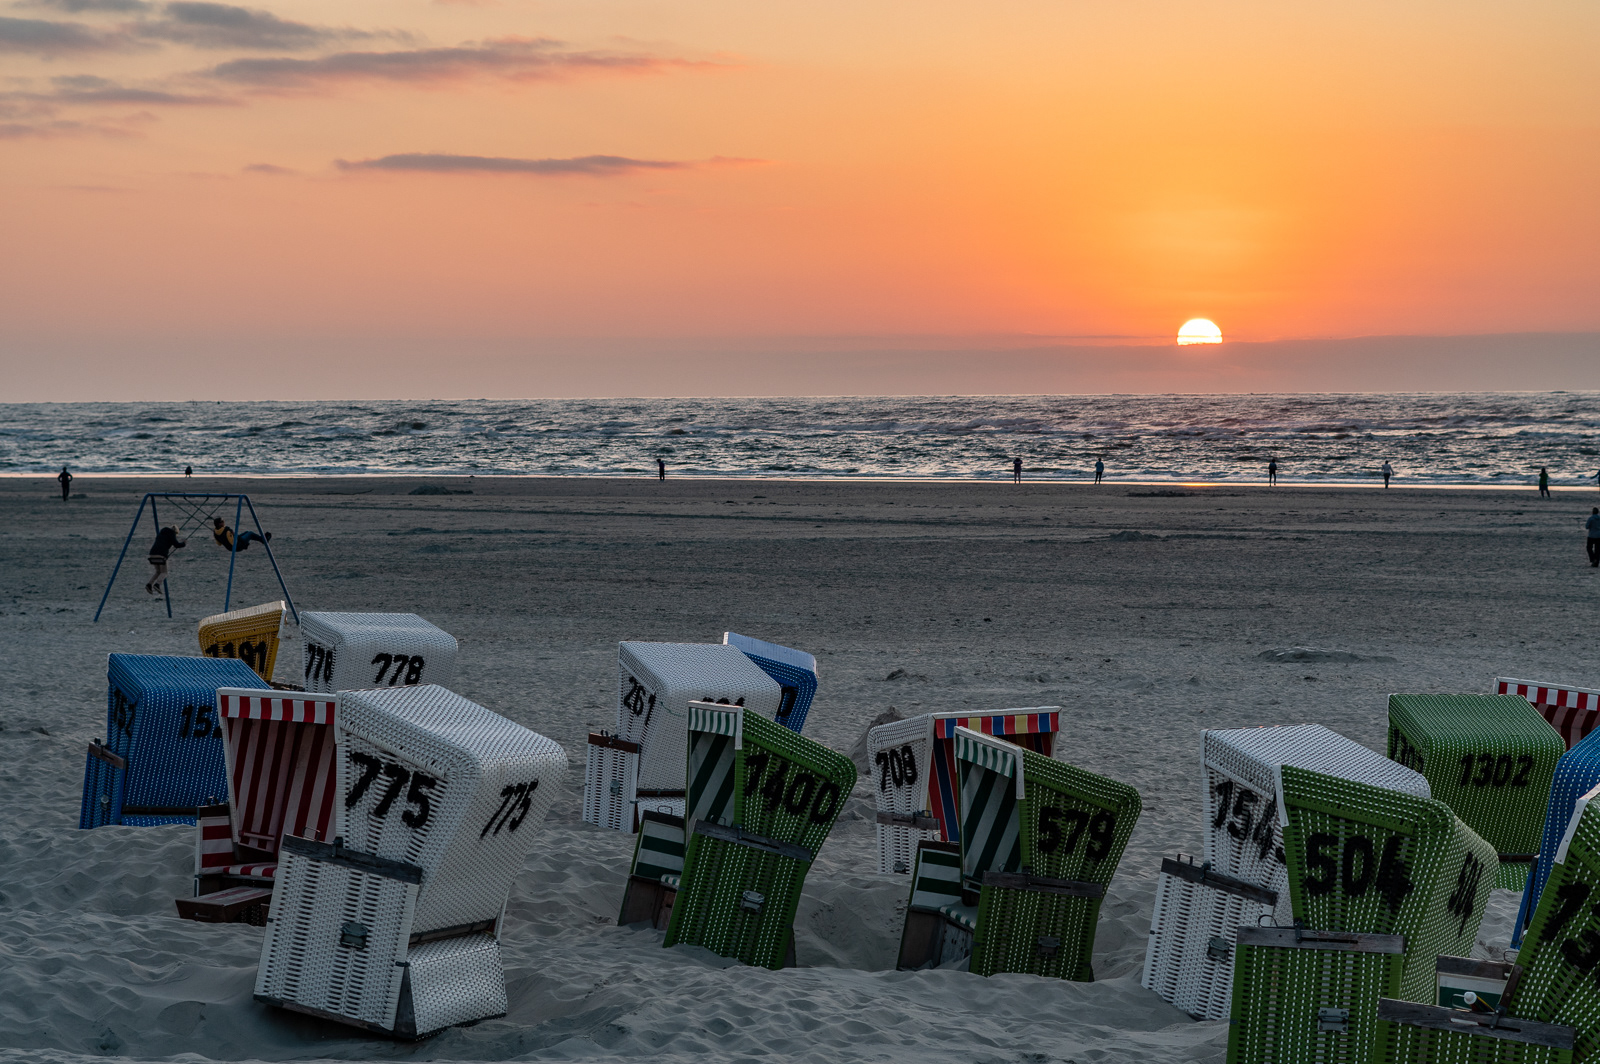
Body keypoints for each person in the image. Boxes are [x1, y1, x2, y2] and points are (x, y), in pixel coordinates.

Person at [144, 526, 185, 595]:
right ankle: (157, 585)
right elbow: (177, 545)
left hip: (152, 554)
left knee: (158, 572)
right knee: (164, 572)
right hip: (160, 555)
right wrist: (184, 543)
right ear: (175, 532)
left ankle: (149, 584)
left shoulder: (162, 533)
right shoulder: (172, 534)